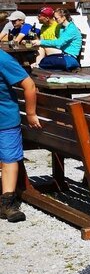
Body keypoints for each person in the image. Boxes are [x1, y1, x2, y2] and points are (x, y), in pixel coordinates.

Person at [0, 48, 41, 222]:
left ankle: (7, 203)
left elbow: (29, 84)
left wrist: (30, 113)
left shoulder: (2, 59)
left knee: (9, 158)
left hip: (5, 120)